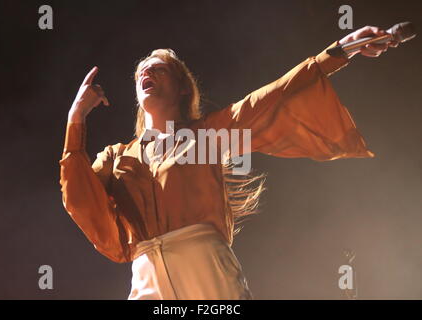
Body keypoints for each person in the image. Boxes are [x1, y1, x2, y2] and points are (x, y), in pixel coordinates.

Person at [59, 26, 397, 299]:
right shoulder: (116, 156)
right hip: (147, 277)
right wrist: (76, 118)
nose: (147, 69)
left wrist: (339, 51)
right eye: (142, 71)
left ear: (181, 89)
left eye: (159, 68)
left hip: (206, 269)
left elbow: (273, 96)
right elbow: (78, 198)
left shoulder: (208, 135)